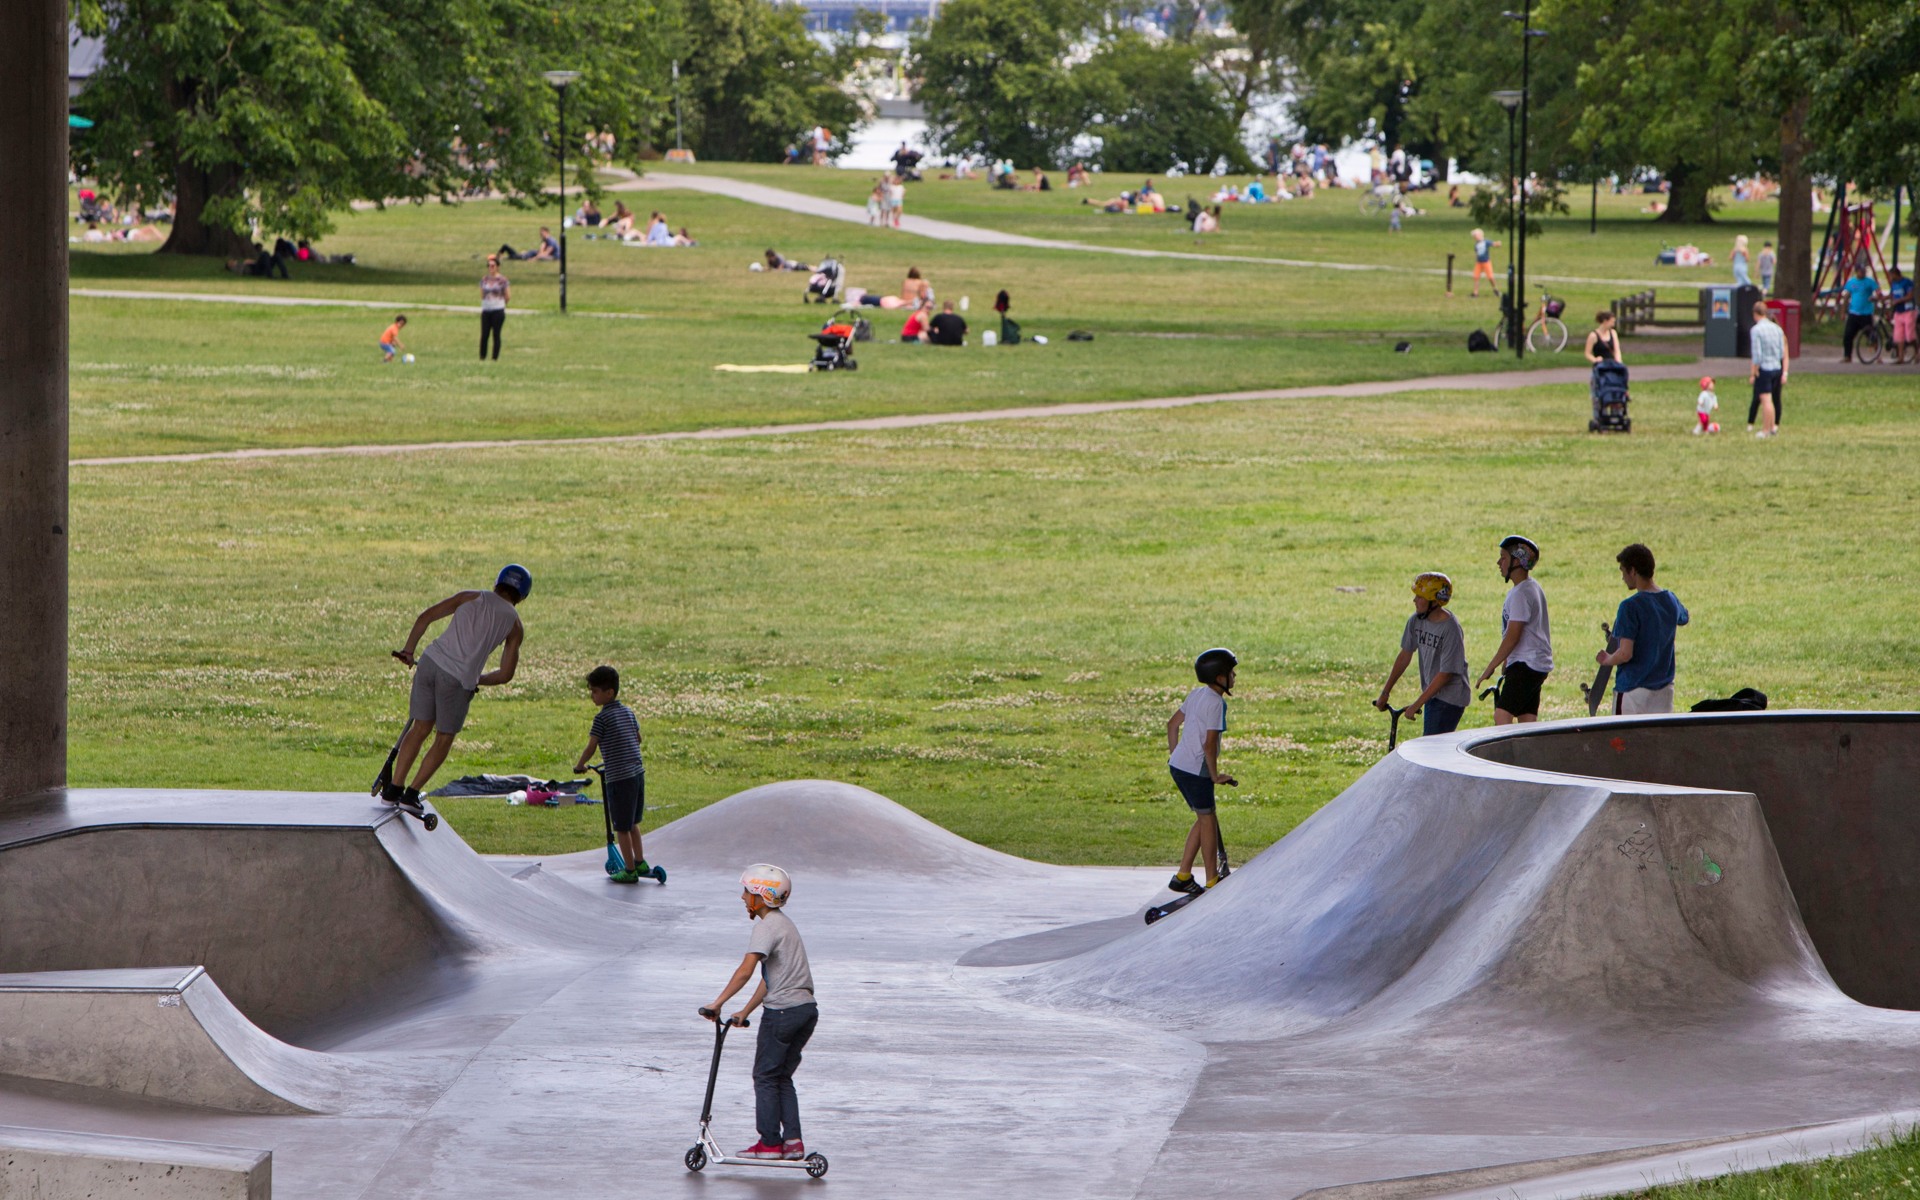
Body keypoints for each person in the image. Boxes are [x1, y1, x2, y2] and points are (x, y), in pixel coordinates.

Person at [380, 566, 530, 813]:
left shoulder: (469, 596)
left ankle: (393, 789)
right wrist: (476, 679)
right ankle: (411, 794)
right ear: (522, 595)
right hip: (459, 679)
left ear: (497, 582)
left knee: (419, 727)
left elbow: (425, 617)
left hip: (430, 662)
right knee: (444, 738)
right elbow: (505, 674)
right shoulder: (514, 625)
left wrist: (408, 651)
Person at [702, 864, 818, 1163]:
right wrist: (744, 1010)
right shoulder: (785, 924)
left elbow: (746, 971)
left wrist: (718, 1003)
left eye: (747, 892)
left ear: (761, 896)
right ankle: (792, 1142)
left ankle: (769, 1143)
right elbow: (770, 978)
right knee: (781, 1078)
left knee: (765, 1077)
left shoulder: (765, 927)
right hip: (804, 1011)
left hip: (781, 1014)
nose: (742, 898)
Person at [1165, 648, 1238, 897]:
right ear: (1219, 678)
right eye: (1231, 672)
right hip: (1196, 770)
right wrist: (1215, 776)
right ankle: (1212, 880)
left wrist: (1177, 755)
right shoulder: (1217, 703)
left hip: (1179, 766)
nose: (1235, 676)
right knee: (1208, 821)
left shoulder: (1196, 694)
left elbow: (1172, 725)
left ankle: (1183, 876)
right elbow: (1209, 744)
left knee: (1203, 817)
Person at [572, 665, 654, 884]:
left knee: (621, 827)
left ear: (609, 693)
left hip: (619, 778)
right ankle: (639, 861)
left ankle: (629, 870)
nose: (592, 695)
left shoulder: (602, 719)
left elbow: (591, 746)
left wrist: (580, 764)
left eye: (595, 691)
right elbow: (638, 739)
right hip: (637, 774)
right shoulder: (628, 712)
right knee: (633, 823)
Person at [1374, 572, 1471, 737]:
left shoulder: (1450, 629)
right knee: (1432, 748)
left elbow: (1445, 674)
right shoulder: (1416, 620)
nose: (1414, 601)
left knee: (1432, 749)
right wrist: (1385, 692)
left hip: (1450, 698)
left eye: (1420, 597)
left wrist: (1416, 704)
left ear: (1434, 601)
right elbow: (1405, 655)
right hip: (1433, 694)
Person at [1597, 544, 1688, 715]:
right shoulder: (1670, 599)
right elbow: (1684, 617)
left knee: (1624, 741)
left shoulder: (1629, 607)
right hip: (1664, 691)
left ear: (1633, 571)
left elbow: (1625, 653)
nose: (1623, 578)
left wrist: (1607, 659)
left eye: (1623, 571)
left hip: (1633, 692)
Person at [1474, 538, 1551, 726]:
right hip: (1534, 664)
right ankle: (1526, 754)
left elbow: (1513, 635)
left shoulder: (1521, 594)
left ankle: (1507, 755)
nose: (1499, 563)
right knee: (1527, 720)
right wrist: (1508, 660)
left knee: (1501, 715)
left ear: (1517, 561)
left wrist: (1490, 666)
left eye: (1503, 558)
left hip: (1526, 664)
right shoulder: (1531, 587)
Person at [1748, 300, 1786, 438]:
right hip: (1777, 366)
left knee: (1766, 400)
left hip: (1765, 367)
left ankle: (1765, 430)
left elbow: (1757, 353)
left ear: (1755, 314)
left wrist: (1755, 370)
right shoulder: (1777, 328)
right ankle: (1772, 427)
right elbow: (1782, 350)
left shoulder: (1756, 330)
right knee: (1773, 400)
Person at [1841, 262, 1881, 363]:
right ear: (1856, 272)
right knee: (1848, 335)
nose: (1862, 273)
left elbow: (1878, 293)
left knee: (1871, 336)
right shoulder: (1851, 282)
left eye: (1864, 271)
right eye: (1860, 271)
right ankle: (1847, 356)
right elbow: (1846, 297)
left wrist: (1875, 297)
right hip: (1854, 313)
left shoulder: (1870, 282)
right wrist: (1843, 311)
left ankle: (1877, 355)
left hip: (1866, 313)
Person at [479, 257, 509, 361]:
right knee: (484, 334)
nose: (491, 268)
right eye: (489, 266)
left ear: (497, 267)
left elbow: (507, 296)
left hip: (498, 310)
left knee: (496, 334)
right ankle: (482, 357)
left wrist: (500, 304)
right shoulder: (484, 279)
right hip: (486, 310)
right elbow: (482, 294)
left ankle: (494, 357)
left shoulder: (502, 280)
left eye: (493, 266)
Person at [1888, 266, 1916, 364]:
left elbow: (1910, 296)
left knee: (1910, 336)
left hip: (1908, 310)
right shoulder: (1894, 285)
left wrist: (1898, 301)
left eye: (1891, 275)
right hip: (1898, 312)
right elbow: (1891, 296)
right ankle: (1901, 357)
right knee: (1899, 336)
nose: (1890, 277)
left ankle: (1917, 350)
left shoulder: (1907, 282)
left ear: (1896, 274)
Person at [1469, 228, 1500, 298]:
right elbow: (1476, 253)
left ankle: (1495, 289)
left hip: (1486, 262)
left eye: (1475, 235)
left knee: (1490, 277)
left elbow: (1493, 244)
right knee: (1476, 277)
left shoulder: (1486, 242)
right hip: (1479, 263)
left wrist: (1497, 244)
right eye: (1474, 236)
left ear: (1480, 235)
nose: (1474, 237)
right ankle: (1475, 293)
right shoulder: (1476, 244)